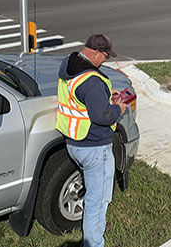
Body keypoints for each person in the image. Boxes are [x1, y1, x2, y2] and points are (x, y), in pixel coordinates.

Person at [56, 34, 128, 247]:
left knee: (93, 193)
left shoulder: (69, 64)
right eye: (105, 56)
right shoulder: (92, 81)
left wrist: (105, 97)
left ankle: (96, 226)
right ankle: (94, 241)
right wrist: (118, 107)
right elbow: (103, 116)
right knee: (98, 201)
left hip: (74, 143)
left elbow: (82, 100)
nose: (106, 60)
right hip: (95, 148)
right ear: (95, 52)